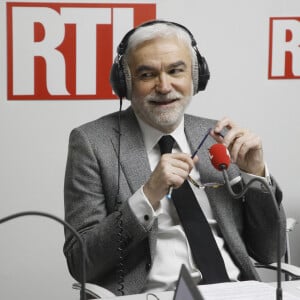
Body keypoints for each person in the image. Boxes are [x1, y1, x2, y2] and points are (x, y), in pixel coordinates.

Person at [63, 20, 286, 296]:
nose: (164, 86)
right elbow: (80, 261)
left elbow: (270, 250)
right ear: (125, 82)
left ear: (195, 76)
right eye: (147, 74)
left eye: (175, 71)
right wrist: (147, 196)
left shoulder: (217, 136)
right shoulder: (93, 143)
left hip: (235, 291)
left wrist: (256, 176)